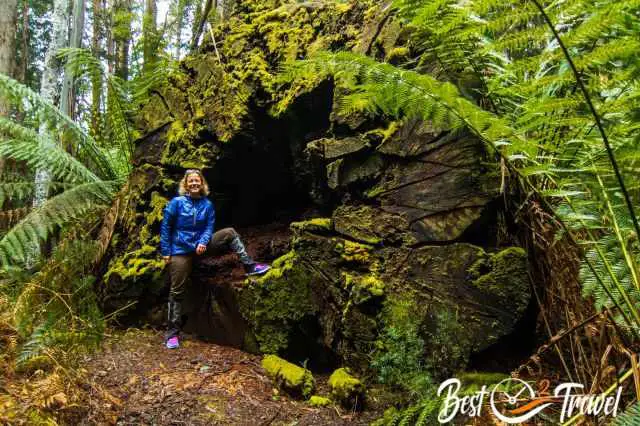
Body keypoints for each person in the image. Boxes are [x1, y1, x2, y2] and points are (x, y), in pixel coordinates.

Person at [160, 169, 270, 349]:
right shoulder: (176, 203)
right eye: (191, 181)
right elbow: (166, 227)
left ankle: (250, 266)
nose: (194, 184)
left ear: (202, 184)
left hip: (200, 247)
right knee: (177, 290)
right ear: (186, 185)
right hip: (180, 251)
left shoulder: (207, 205)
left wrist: (204, 242)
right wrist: (166, 251)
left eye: (197, 181)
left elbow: (209, 227)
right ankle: (172, 333)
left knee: (229, 233)